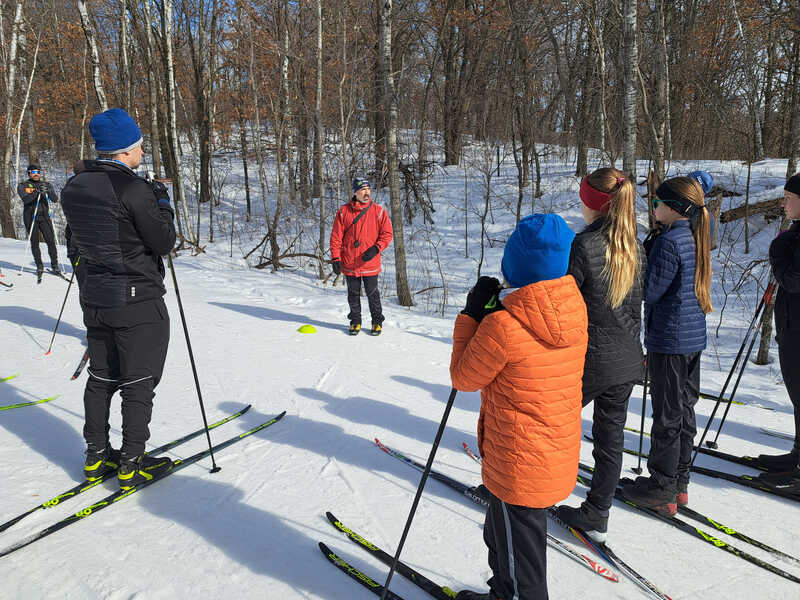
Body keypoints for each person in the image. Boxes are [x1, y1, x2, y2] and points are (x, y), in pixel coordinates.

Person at [450, 213, 588, 600]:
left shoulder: (505, 326)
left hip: (518, 462)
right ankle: (501, 593)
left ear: (515, 266)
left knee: (521, 564)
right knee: (501, 537)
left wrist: (471, 317)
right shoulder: (573, 309)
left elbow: (464, 377)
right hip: (547, 453)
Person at [60, 108, 175, 490]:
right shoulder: (132, 188)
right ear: (126, 149)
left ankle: (96, 458)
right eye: (140, 145)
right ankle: (131, 462)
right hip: (136, 299)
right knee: (138, 379)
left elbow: (74, 242)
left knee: (102, 377)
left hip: (96, 297)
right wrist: (162, 203)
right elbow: (162, 241)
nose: (142, 151)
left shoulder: (74, 185)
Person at [554, 168, 644, 541]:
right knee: (610, 438)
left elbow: (563, 302)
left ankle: (529, 493)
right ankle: (597, 511)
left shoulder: (585, 245)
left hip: (592, 358)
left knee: (550, 423)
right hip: (626, 358)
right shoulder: (634, 245)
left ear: (591, 203)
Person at [620, 176, 713, 514]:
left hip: (670, 340)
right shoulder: (695, 234)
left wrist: (635, 265)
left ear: (674, 208)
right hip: (690, 338)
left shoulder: (671, 242)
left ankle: (662, 488)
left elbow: (650, 290)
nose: (653, 208)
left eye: (657, 203)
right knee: (683, 411)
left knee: (668, 415)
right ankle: (679, 481)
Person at [756, 173, 800, 493]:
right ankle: (797, 456)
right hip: (791, 325)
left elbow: (794, 279)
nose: (784, 202)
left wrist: (778, 252)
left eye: (789, 197)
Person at [329, 177, 393, 335]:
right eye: (363, 190)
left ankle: (377, 321)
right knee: (353, 294)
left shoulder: (378, 211)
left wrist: (376, 248)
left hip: (370, 262)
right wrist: (336, 258)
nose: (367, 193)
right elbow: (336, 237)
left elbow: (387, 234)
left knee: (373, 293)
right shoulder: (344, 212)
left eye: (368, 189)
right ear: (355, 192)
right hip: (349, 261)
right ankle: (355, 321)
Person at [17, 163, 61, 279]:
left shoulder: (46, 184)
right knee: (34, 242)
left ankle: (55, 265)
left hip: (44, 216)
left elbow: (55, 199)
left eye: (38, 172)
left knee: (50, 241)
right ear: (29, 173)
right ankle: (39, 265)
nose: (36, 174)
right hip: (31, 216)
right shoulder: (23, 185)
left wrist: (48, 191)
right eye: (34, 172)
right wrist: (36, 192)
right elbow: (26, 199)